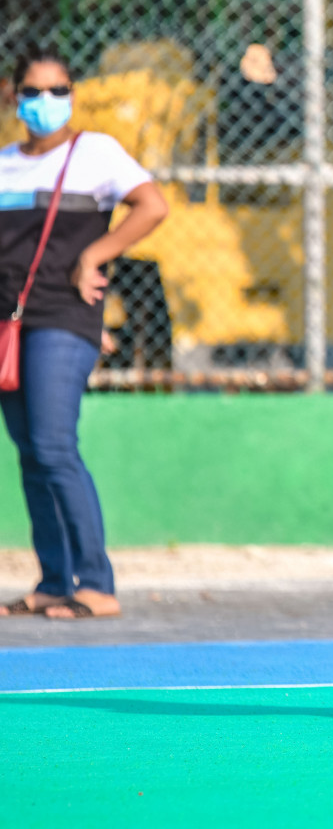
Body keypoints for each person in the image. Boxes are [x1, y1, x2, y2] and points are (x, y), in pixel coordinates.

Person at [0, 48, 168, 620]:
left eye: (58, 90)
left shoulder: (94, 152)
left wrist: (96, 253)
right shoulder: (4, 164)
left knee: (53, 445)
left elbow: (152, 206)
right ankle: (52, 580)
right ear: (13, 95)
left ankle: (95, 583)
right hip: (10, 324)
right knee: (29, 453)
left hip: (65, 319)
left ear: (72, 94)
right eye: (32, 91)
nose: (44, 102)